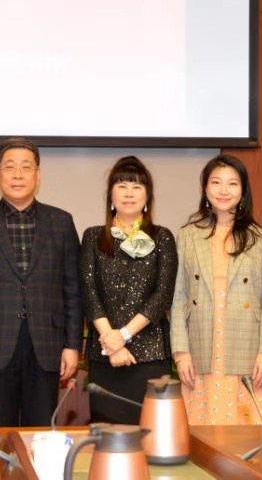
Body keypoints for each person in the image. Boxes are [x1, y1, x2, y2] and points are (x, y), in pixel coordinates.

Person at [0, 137, 83, 427]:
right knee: (0, 432)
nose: (17, 175)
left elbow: (73, 290)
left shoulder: (61, 222)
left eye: (26, 167)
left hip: (47, 345)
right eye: (9, 167)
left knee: (41, 431)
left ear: (38, 175)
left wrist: (72, 345)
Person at [171, 154, 262, 425]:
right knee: (201, 429)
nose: (223, 190)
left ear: (243, 190)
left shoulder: (261, 237)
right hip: (200, 349)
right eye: (216, 182)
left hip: (247, 349)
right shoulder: (187, 235)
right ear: (205, 188)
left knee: (246, 431)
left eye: (232, 183)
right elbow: (178, 297)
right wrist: (181, 353)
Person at [79, 156, 178, 424]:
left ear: (147, 197)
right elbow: (89, 292)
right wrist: (111, 341)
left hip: (150, 356)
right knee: (108, 437)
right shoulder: (92, 237)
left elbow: (162, 295)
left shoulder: (162, 237)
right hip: (104, 355)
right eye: (122, 186)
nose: (129, 193)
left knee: (152, 434)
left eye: (137, 187)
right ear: (111, 196)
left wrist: (122, 335)